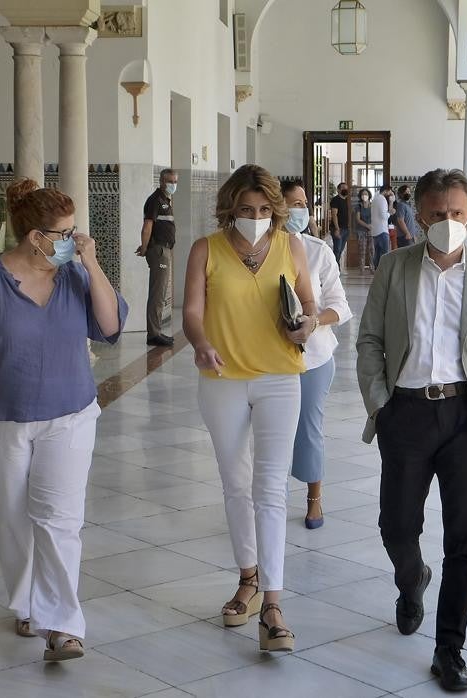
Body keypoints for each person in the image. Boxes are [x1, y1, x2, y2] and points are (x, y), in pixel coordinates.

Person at [0, 178, 129, 663]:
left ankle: (63, 624)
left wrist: (92, 261)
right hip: (1, 420)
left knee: (60, 521)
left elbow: (111, 326)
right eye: (64, 233)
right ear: (34, 237)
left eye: (75, 230)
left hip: (70, 415)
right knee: (13, 518)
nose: (73, 239)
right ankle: (26, 604)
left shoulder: (76, 277)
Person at [356, 168, 467, 692]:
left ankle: (449, 647)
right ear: (419, 215)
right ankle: (412, 581)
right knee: (397, 526)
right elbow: (369, 341)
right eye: (436, 213)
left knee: (465, 541)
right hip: (405, 414)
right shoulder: (394, 267)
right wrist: (381, 405)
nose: (446, 222)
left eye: (456, 213)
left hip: (466, 420)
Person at [183, 164, 318, 653]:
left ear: (275, 211)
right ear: (230, 209)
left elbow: (307, 301)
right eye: (246, 210)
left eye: (263, 210)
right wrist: (199, 342)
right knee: (235, 483)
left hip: (280, 378)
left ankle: (274, 604)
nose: (255, 218)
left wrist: (305, 325)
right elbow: (192, 312)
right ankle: (247, 577)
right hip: (221, 379)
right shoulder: (206, 249)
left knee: (270, 488)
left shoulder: (290, 246)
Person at [281, 180, 353, 529]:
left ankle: (314, 499)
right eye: (293, 203)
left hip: (314, 356)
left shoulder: (317, 250)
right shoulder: (255, 251)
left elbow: (339, 304)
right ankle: (271, 498)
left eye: (303, 203)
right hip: (268, 359)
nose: (301, 210)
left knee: (308, 429)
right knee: (273, 432)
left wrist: (314, 320)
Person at [137, 169, 179, 346]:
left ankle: (156, 331)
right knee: (157, 293)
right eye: (170, 181)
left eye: (175, 181)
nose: (173, 185)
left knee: (161, 292)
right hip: (159, 251)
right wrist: (145, 248)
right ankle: (153, 334)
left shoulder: (165, 200)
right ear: (162, 181)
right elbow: (147, 226)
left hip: (164, 249)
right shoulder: (155, 200)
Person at [328, 182, 351, 263]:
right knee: (337, 250)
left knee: (340, 250)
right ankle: (334, 268)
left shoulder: (347, 200)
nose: (345, 189)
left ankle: (336, 266)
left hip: (346, 228)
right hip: (337, 228)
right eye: (343, 188)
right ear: (338, 190)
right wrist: (337, 229)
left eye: (346, 188)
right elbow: (334, 215)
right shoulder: (335, 200)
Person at [371, 184, 393, 268]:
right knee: (384, 254)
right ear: (386, 191)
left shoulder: (375, 198)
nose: (390, 194)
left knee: (377, 253)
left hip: (375, 230)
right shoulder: (382, 199)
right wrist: (389, 213)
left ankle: (377, 271)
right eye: (390, 192)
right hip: (382, 231)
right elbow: (384, 216)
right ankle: (383, 272)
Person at [354, 188, 374, 270]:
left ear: (369, 195)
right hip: (361, 230)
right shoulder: (358, 206)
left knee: (372, 250)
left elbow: (376, 217)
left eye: (366, 194)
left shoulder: (373, 205)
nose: (364, 196)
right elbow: (358, 219)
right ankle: (362, 268)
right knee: (362, 250)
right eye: (362, 194)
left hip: (372, 230)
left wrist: (371, 226)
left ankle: (372, 267)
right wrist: (367, 226)